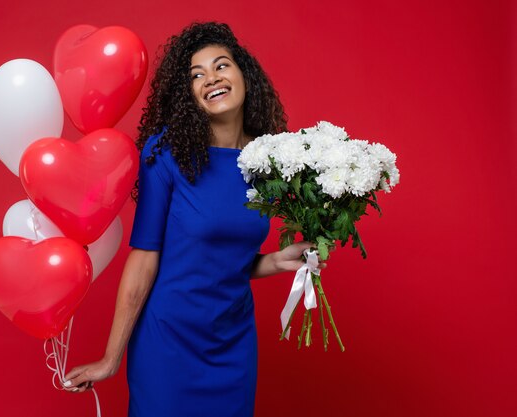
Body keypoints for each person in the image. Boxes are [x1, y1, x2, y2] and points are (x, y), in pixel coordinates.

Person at [63, 22, 325, 416]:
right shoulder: (165, 154)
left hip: (232, 342)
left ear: (244, 76)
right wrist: (110, 358)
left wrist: (277, 260)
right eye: (197, 75)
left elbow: (222, 259)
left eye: (221, 66)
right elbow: (145, 257)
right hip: (167, 343)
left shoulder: (270, 162)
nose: (211, 79)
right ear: (188, 95)